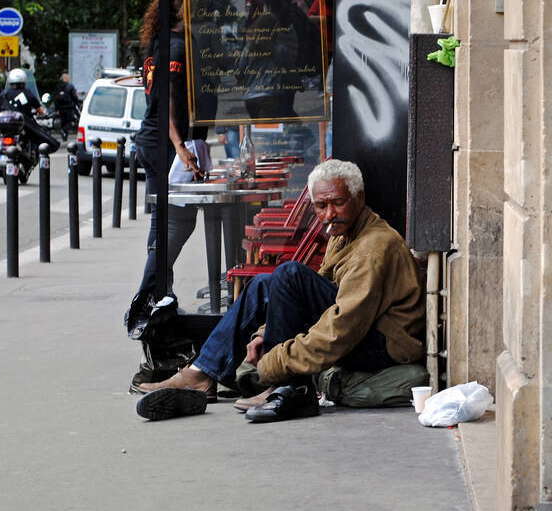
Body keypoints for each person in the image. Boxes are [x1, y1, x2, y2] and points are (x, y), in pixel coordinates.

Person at [135, 160, 426, 422]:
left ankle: (281, 385)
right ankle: (202, 373)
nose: (328, 214)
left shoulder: (372, 248)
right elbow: (318, 296)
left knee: (289, 274)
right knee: (265, 283)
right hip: (363, 330)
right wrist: (265, 332)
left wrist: (274, 363)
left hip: (384, 346)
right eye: (320, 206)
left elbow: (343, 327)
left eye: (337, 203)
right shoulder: (346, 231)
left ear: (359, 198)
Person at [125, 0, 209, 334]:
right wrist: (180, 146)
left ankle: (161, 293)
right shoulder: (175, 46)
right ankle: (148, 297)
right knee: (175, 222)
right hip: (164, 144)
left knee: (165, 221)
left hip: (154, 141)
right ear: (181, 13)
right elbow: (169, 98)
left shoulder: (160, 44)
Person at [1, 68, 60, 153]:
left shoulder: (5, 93)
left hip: (7, 123)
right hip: (25, 123)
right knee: (37, 136)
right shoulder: (28, 93)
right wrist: (43, 114)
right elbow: (39, 110)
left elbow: (0, 107)